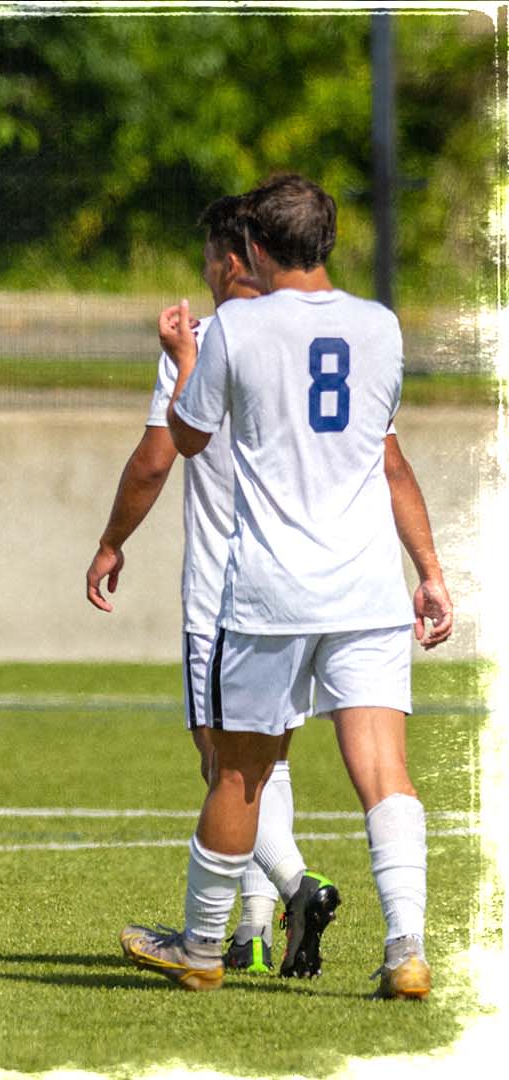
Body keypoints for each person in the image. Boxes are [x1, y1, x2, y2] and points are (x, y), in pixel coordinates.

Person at [86, 195, 452, 977]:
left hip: (270, 592)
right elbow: (390, 460)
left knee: (241, 772)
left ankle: (202, 946)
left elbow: (185, 437)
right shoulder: (380, 326)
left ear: (251, 247)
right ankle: (406, 950)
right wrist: (430, 570)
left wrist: (183, 359)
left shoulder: (239, 329)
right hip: (367, 587)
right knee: (385, 770)